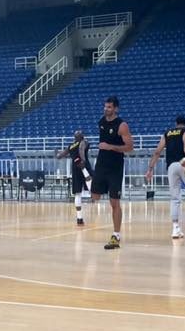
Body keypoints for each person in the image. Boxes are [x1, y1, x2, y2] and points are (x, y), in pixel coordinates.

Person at [145, 115, 185, 239]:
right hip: (183, 162)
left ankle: (175, 229)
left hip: (171, 166)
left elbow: (157, 151)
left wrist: (150, 169)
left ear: (175, 123)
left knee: (175, 198)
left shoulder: (167, 133)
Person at [92, 96, 133, 250]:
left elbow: (130, 147)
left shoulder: (122, 125)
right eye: (105, 106)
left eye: (109, 107)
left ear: (116, 109)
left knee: (114, 202)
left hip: (115, 168)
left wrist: (111, 147)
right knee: (95, 196)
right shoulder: (101, 122)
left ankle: (116, 235)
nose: (106, 109)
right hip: (101, 164)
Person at [56, 130, 93, 226]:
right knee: (90, 179)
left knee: (77, 194)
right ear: (82, 137)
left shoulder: (70, 146)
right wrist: (83, 160)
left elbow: (60, 156)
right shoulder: (84, 142)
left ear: (74, 138)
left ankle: (79, 218)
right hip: (83, 165)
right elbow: (81, 149)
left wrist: (57, 154)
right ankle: (92, 192)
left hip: (75, 169)